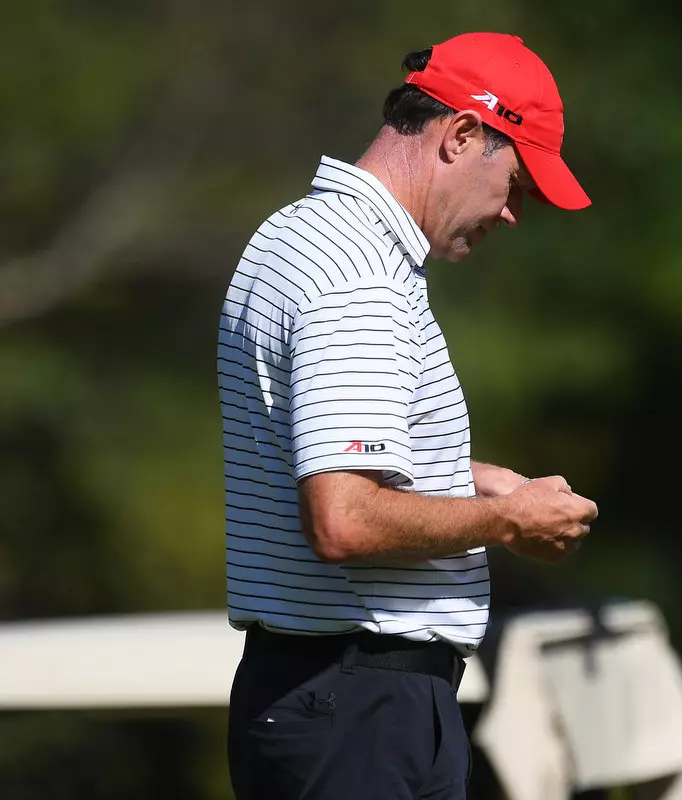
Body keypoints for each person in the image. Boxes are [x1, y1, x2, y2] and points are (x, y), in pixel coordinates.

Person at [217, 31, 598, 799]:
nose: (513, 213)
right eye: (515, 183)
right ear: (461, 135)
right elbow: (344, 518)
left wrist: (467, 478)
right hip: (356, 708)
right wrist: (508, 521)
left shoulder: (297, 235)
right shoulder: (359, 276)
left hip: (329, 698)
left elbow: (319, 455)